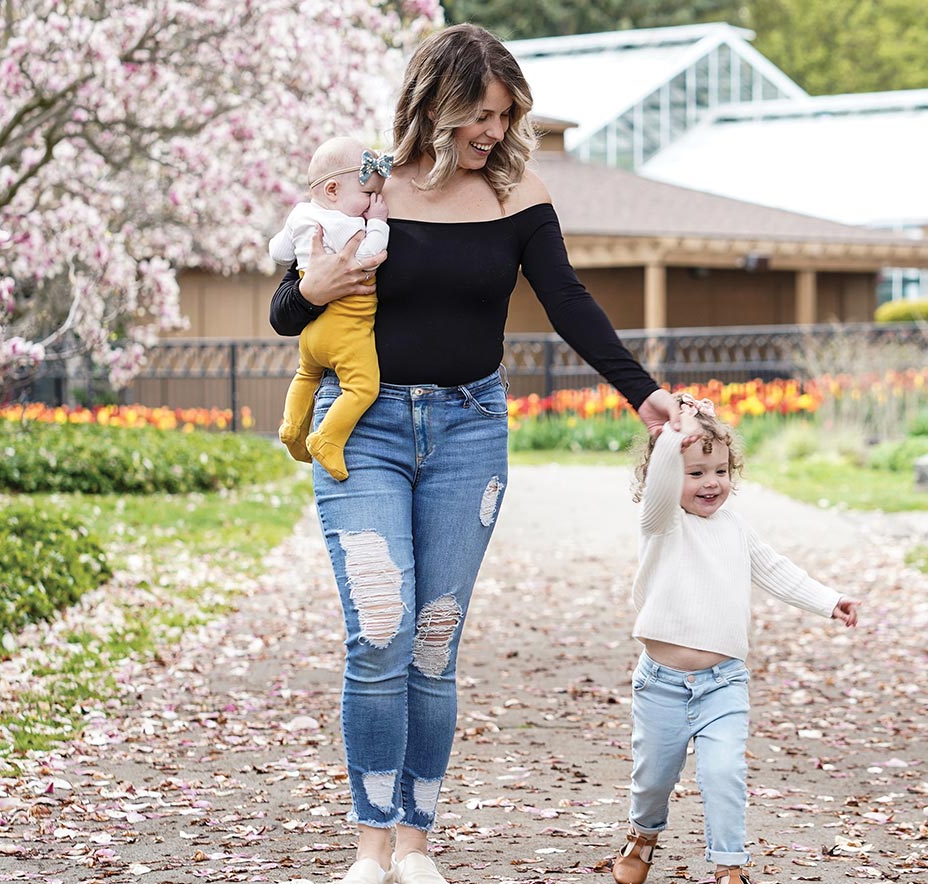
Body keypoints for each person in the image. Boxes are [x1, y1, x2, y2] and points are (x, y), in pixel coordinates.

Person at [269, 23, 682, 884]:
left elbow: (567, 299)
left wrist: (641, 391)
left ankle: (415, 840)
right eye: (478, 114)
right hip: (365, 429)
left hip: (469, 431)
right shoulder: (371, 190)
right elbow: (285, 307)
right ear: (435, 103)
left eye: (503, 114)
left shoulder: (514, 194)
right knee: (378, 632)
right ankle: (369, 842)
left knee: (431, 639)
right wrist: (315, 288)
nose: (491, 131)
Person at [611, 392, 860, 884]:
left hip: (723, 682)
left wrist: (829, 600)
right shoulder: (661, 524)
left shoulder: (735, 528)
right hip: (660, 683)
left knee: (724, 774)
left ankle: (730, 868)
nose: (711, 483)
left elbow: (774, 569)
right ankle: (643, 836)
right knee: (653, 779)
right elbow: (663, 482)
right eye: (696, 472)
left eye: (721, 471)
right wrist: (671, 439)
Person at [269, 136, 393, 481]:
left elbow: (279, 253)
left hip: (312, 334)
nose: (373, 202)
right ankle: (326, 439)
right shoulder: (350, 224)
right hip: (345, 328)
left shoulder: (300, 214)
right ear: (334, 190)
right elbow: (369, 258)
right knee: (363, 387)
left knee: (306, 374)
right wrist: (379, 223)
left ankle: (292, 427)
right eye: (368, 195)